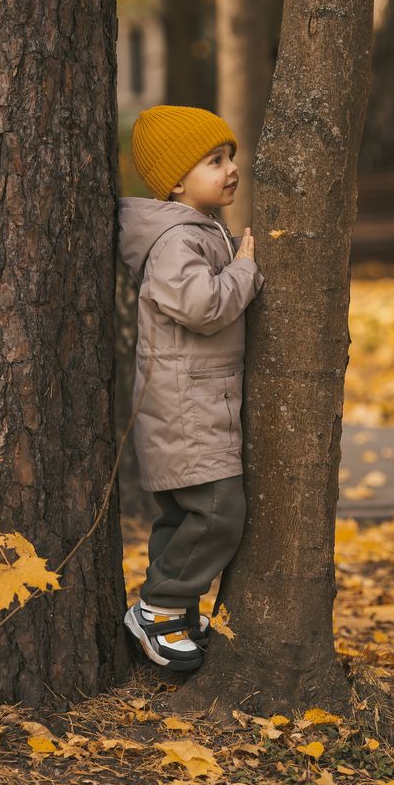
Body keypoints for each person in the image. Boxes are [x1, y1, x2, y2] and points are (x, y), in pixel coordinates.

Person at [117, 104, 264, 671]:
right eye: (214, 160)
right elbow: (203, 306)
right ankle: (160, 606)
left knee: (184, 515)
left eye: (231, 157)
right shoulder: (178, 239)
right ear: (177, 180)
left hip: (194, 399)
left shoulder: (196, 231)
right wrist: (247, 270)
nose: (231, 169)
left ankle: (170, 612)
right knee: (218, 511)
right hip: (185, 405)